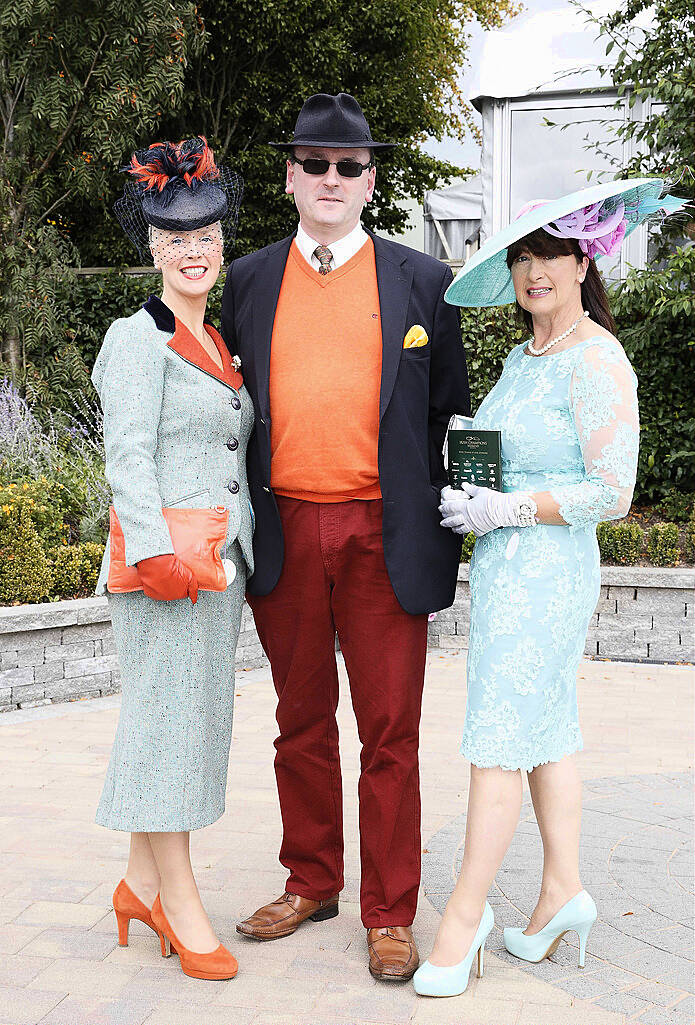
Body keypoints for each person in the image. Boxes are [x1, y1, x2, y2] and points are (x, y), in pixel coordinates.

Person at [220, 93, 469, 980]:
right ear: (290, 177)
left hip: (383, 532)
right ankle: (311, 877)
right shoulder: (247, 278)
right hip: (284, 529)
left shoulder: (422, 281)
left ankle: (390, 909)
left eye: (348, 166)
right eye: (314, 164)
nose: (331, 178)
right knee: (299, 720)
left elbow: (446, 412)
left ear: (370, 180)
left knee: (389, 726)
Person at [413, 178, 682, 998]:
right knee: (546, 728)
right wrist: (471, 478)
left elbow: (612, 489)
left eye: (548, 255)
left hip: (548, 571)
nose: (533, 271)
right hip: (503, 566)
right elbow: (514, 453)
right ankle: (561, 890)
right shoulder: (522, 357)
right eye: (521, 257)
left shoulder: (598, 356)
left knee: (498, 735)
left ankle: (464, 915)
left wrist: (509, 505)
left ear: (581, 259)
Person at [93, 138, 254, 981]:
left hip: (217, 564)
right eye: (176, 241)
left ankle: (137, 883)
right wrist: (154, 552)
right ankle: (180, 903)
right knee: (168, 729)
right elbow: (127, 455)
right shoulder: (137, 337)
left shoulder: (215, 339)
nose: (194, 252)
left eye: (207, 237)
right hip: (166, 569)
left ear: (221, 243)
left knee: (178, 724)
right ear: (154, 250)